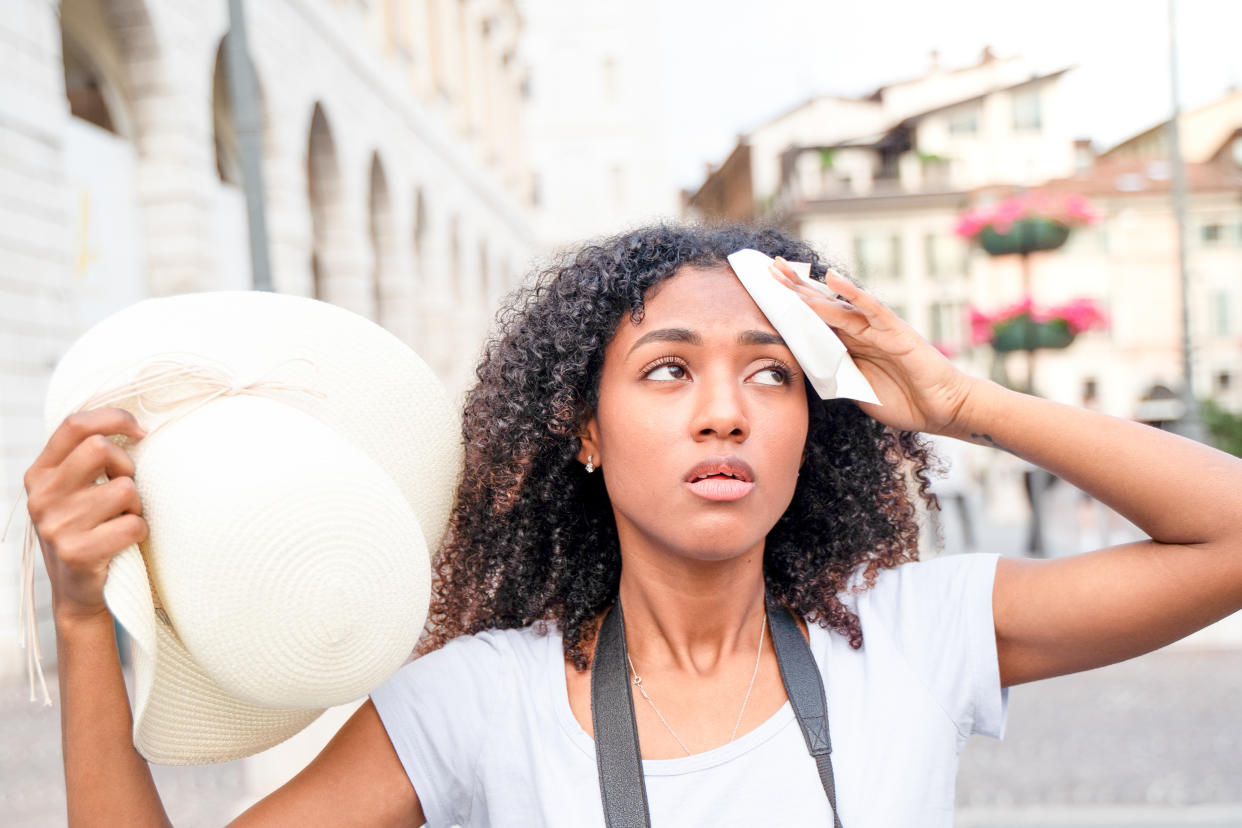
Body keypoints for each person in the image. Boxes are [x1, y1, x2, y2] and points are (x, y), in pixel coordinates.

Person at [22, 224, 1242, 826]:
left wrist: (961, 400)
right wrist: (84, 618)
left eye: (772, 376)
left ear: (815, 422)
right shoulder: (476, 700)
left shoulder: (911, 632)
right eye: (668, 371)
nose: (726, 412)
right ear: (586, 431)